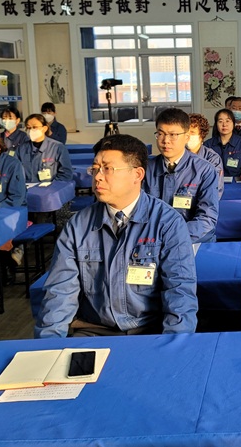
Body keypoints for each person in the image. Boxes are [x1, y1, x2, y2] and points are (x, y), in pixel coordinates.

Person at [35, 134, 198, 338]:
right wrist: (49, 345)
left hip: (149, 331)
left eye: (107, 169)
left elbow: (179, 293)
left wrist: (174, 344)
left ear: (137, 174)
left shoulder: (167, 223)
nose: (98, 177)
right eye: (95, 169)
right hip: (94, 330)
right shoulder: (78, 225)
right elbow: (60, 292)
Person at [144, 108, 220, 244]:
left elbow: (207, 218)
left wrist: (172, 236)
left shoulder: (204, 170)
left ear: (186, 137)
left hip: (192, 241)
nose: (166, 140)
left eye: (173, 135)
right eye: (160, 134)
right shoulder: (146, 168)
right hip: (152, 241)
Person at [15, 113, 73, 183]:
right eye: (29, 128)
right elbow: (15, 172)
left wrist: (52, 186)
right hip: (27, 187)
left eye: (35, 127)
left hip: (51, 188)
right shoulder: (21, 149)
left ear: (44, 128)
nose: (31, 130)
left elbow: (66, 174)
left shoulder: (57, 147)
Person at [204, 108, 241, 178]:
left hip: (237, 181)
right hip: (214, 181)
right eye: (220, 121)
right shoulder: (208, 145)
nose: (224, 124)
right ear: (216, 124)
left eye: (228, 121)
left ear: (233, 124)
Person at [187, 113, 224, 198]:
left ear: (201, 135)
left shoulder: (212, 158)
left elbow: (214, 190)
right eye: (186, 132)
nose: (188, 136)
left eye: (192, 133)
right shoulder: (176, 155)